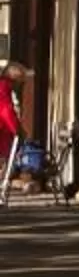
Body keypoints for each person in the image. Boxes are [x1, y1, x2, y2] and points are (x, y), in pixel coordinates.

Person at [0, 64, 25, 204]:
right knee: (3, 160)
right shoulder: (3, 88)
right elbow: (5, 110)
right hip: (2, 130)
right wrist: (17, 129)